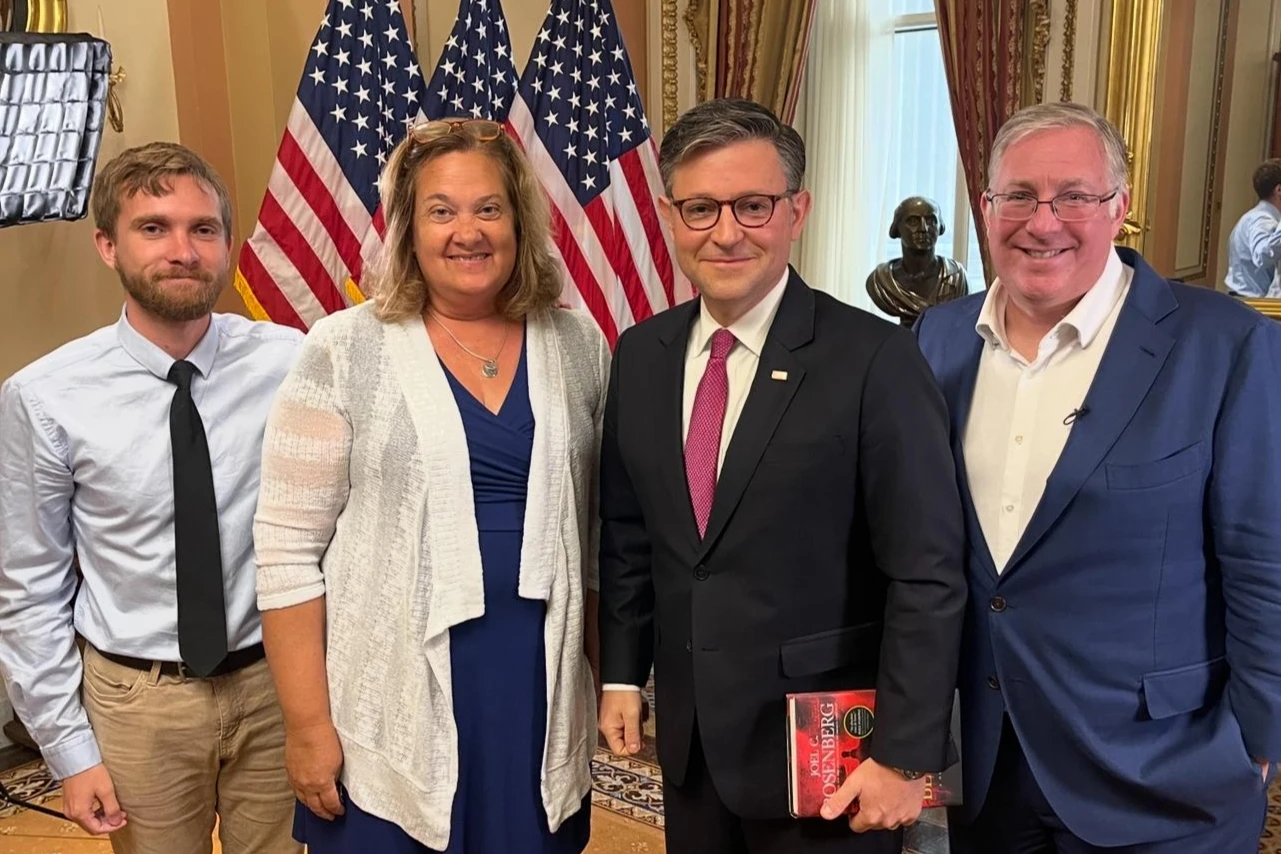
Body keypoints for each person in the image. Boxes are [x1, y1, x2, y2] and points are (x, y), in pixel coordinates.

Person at [596, 97, 967, 854]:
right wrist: (622, 675)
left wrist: (903, 754)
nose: (726, 232)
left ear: (796, 211)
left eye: (753, 205)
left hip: (830, 762)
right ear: (669, 217)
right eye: (700, 208)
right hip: (693, 750)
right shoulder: (641, 355)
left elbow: (927, 572)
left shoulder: (874, 359)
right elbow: (631, 538)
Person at [914, 101, 1281, 852]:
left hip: (1166, 774)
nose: (1042, 222)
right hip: (987, 764)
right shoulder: (937, 338)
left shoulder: (1225, 345)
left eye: (1074, 196)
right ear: (986, 206)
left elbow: (1265, 562)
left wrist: (1258, 736)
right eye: (1018, 195)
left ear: (1120, 206)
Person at [252, 117, 605, 854]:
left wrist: (607, 682)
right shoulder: (344, 347)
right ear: (409, 231)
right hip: (388, 699)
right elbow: (285, 553)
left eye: (488, 208)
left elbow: (597, 533)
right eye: (441, 211)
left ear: (519, 222)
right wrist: (308, 727)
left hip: (535, 690)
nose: (466, 232)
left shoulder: (579, 345)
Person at [0, 142, 303, 853]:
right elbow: (30, 585)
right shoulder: (45, 397)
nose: (183, 251)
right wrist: (69, 749)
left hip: (274, 685)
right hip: (139, 704)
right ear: (107, 245)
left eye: (203, 229)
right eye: (153, 228)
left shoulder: (290, 361)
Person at [866, 195, 969, 325]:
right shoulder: (882, 281)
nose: (923, 228)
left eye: (931, 221)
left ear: (940, 227)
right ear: (897, 228)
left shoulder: (956, 276)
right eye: (913, 221)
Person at [1224, 158, 1281, 298]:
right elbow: (1261, 255)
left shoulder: (1252, 217)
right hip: (1251, 303)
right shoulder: (1261, 220)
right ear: (1279, 190)